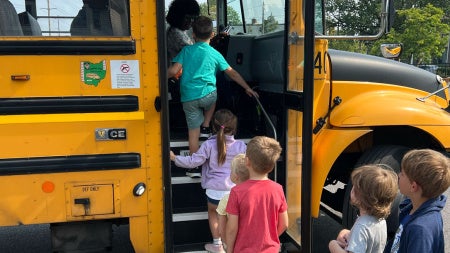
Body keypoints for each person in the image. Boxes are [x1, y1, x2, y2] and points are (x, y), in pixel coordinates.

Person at [167, 16, 258, 155]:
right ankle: (206, 125)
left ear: (193, 35)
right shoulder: (215, 54)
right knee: (213, 97)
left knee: (192, 133)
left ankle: (194, 166)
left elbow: (173, 71)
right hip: (208, 96)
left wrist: (156, 77)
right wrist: (247, 88)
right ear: (212, 35)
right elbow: (232, 73)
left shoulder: (186, 51)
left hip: (188, 97)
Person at [170, 109, 247, 253]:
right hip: (233, 190)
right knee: (232, 218)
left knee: (214, 215)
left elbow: (193, 162)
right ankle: (233, 244)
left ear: (213, 127)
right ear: (234, 128)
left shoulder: (208, 145)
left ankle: (217, 245)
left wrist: (175, 158)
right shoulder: (241, 146)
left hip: (214, 191)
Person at [225, 136, 288, 253]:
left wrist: (229, 249)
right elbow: (284, 223)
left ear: (247, 161)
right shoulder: (278, 189)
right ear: (271, 166)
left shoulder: (237, 192)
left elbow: (232, 229)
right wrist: (269, 239)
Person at [385, 149, 450, 253]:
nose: (398, 175)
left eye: (402, 173)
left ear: (413, 186)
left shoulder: (420, 230)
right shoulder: (413, 209)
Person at [328, 165, 399, 253]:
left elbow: (361, 234)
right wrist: (347, 233)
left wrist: (333, 245)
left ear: (361, 197)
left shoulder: (361, 227)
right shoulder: (380, 221)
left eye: (354, 187)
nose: (351, 188)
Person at [208, 153, 249, 252]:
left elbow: (223, 229)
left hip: (236, 245)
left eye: (231, 171)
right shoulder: (257, 195)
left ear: (235, 177)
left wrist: (228, 246)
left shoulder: (227, 199)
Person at [166, 0, 200, 65]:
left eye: (193, 18)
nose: (191, 21)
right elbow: (192, 53)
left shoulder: (181, 31)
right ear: (177, 17)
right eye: (187, 18)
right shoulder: (175, 33)